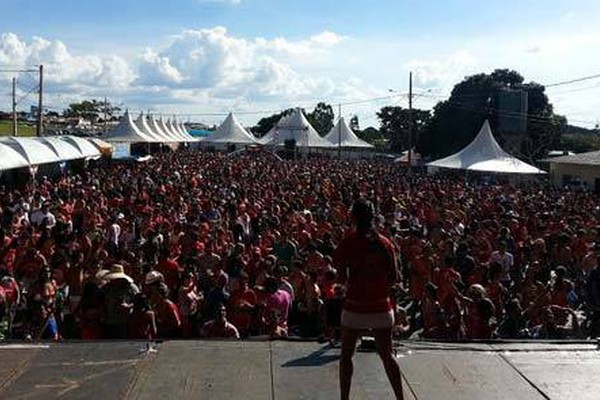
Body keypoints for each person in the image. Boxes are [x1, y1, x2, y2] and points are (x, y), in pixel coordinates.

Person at [334, 198, 404, 400]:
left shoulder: (349, 242)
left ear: (353, 217)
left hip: (355, 307)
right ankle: (400, 398)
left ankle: (344, 398)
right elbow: (394, 277)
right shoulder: (385, 243)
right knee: (387, 356)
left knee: (346, 355)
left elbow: (340, 277)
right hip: (382, 308)